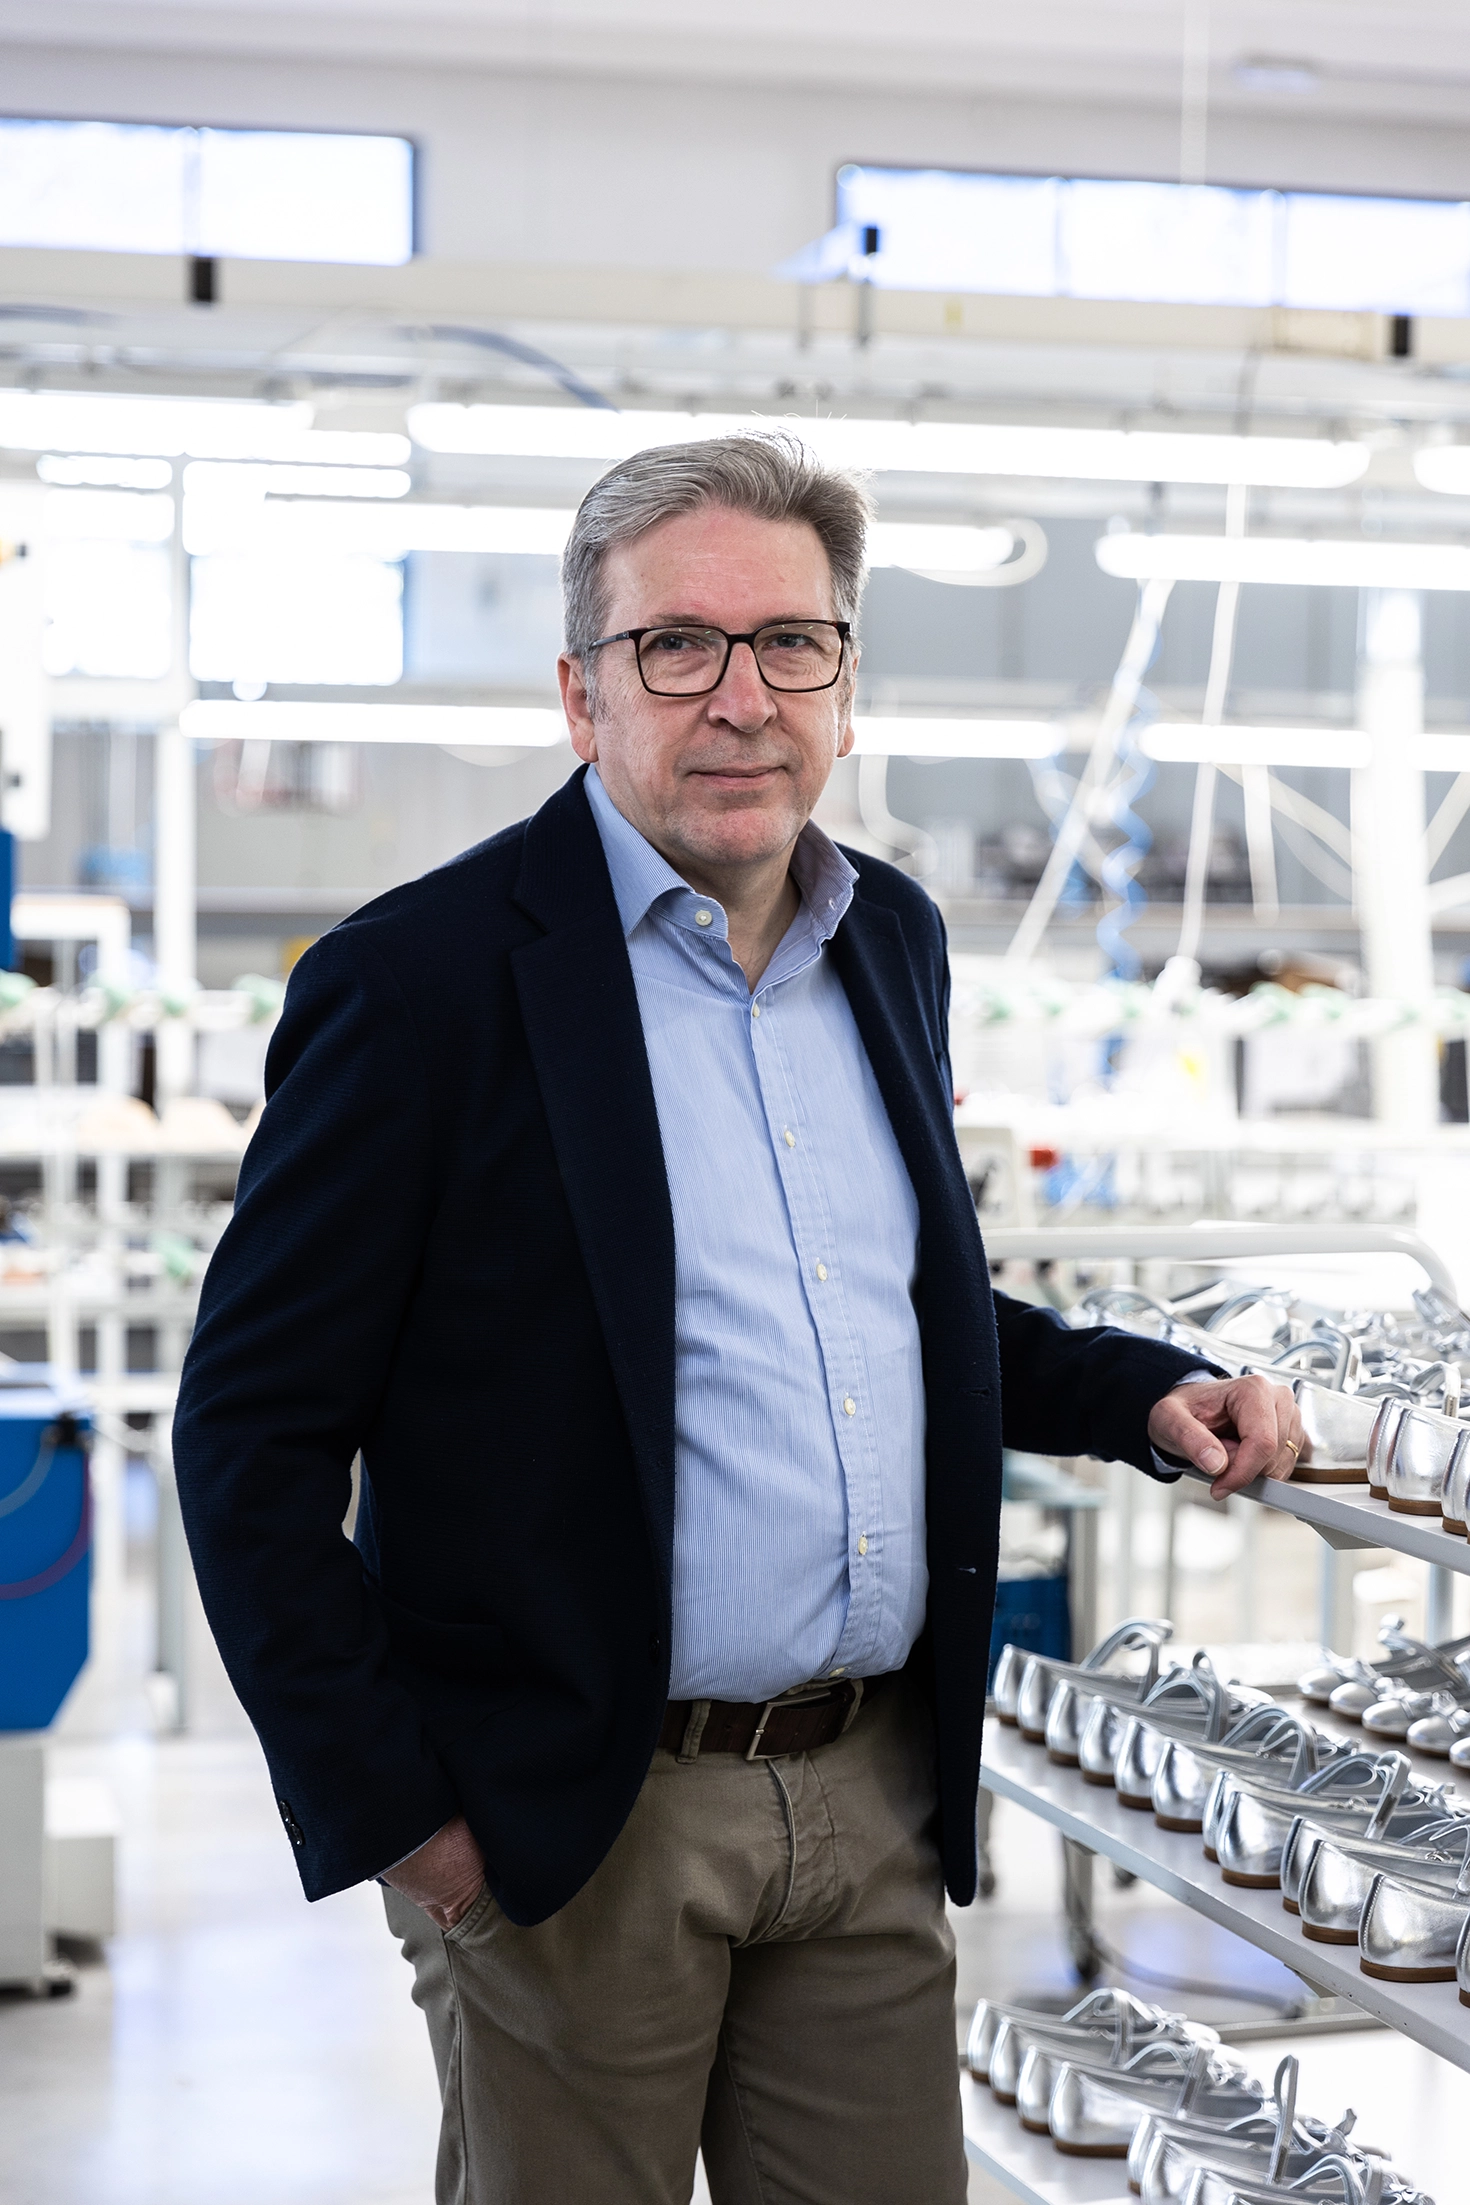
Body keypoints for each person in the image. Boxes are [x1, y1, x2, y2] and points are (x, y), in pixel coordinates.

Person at [173, 432, 1304, 2205]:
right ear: (582, 694)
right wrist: (401, 1815)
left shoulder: (888, 941)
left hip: (867, 1789)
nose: (741, 697)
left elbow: (894, 1310)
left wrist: (1141, 1392)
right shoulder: (420, 985)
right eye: (677, 646)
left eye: (791, 642)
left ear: (844, 684)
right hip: (574, 1815)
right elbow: (250, 1437)